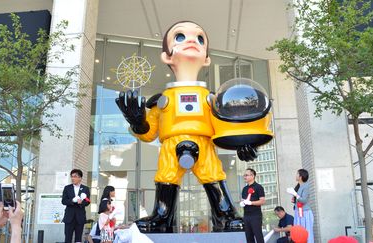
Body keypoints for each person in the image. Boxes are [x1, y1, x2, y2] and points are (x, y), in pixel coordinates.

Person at [115, 20, 272, 233]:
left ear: (206, 58)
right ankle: (162, 216)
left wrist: (244, 144)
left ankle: (224, 214)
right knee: (167, 175)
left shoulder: (212, 99)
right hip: (171, 144)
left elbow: (225, 128)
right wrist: (138, 121)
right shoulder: (160, 100)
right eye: (180, 37)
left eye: (199, 39)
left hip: (204, 144)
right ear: (166, 56)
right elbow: (149, 133)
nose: (191, 40)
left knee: (213, 174)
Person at [61, 169, 91, 243]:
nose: (73, 178)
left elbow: (88, 201)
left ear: (80, 178)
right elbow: (63, 201)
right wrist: (72, 200)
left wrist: (81, 202)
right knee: (68, 238)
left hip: (80, 217)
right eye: (72, 176)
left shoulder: (85, 189)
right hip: (69, 217)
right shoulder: (67, 188)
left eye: (75, 176)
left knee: (78, 238)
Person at [287, 169, 314, 243]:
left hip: (305, 212)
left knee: (306, 231)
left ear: (301, 176)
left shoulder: (306, 186)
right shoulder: (298, 186)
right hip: (298, 212)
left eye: (297, 174)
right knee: (298, 232)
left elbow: (304, 200)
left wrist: (295, 194)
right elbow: (299, 199)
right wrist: (294, 199)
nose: (296, 175)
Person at [240, 168, 265, 243]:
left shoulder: (259, 187)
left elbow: (262, 201)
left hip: (255, 215)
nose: (245, 177)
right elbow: (243, 200)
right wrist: (242, 203)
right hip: (246, 215)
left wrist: (251, 203)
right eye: (244, 175)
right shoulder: (244, 189)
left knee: (258, 236)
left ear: (252, 176)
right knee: (249, 237)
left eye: (246, 175)